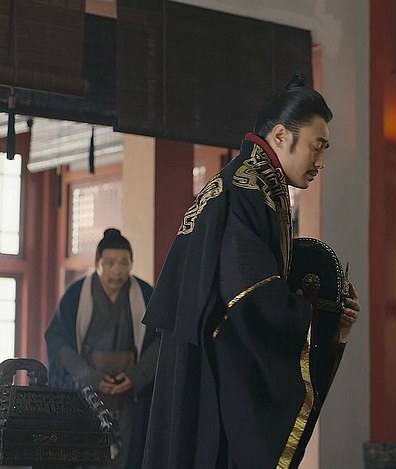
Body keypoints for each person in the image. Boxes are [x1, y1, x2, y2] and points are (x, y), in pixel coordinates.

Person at [141, 73, 361, 469]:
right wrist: (320, 317)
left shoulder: (252, 185)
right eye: (316, 147)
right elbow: (253, 300)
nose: (321, 162)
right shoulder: (245, 191)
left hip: (207, 359)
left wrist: (330, 312)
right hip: (214, 372)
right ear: (280, 136)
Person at [45, 228, 157, 468]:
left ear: (131, 264)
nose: (117, 270)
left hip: (130, 392)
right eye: (110, 263)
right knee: (86, 456)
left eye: (124, 263)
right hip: (86, 391)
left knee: (130, 457)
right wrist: (88, 376)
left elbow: (162, 341)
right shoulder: (76, 295)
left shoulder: (145, 295)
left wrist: (137, 375)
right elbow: (57, 341)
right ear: (97, 263)